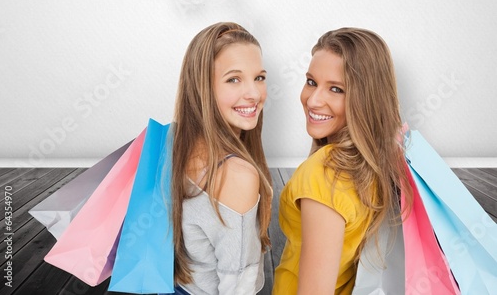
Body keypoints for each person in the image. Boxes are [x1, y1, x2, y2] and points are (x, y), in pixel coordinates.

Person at [272, 27, 414, 294]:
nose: (313, 100)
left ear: (365, 100)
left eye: (336, 89)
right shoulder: (375, 162)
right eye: (311, 82)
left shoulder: (323, 175)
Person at [171, 22, 272, 295]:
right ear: (202, 87)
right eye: (233, 79)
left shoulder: (177, 144)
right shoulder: (236, 174)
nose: (254, 93)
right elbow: (238, 288)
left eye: (259, 77)